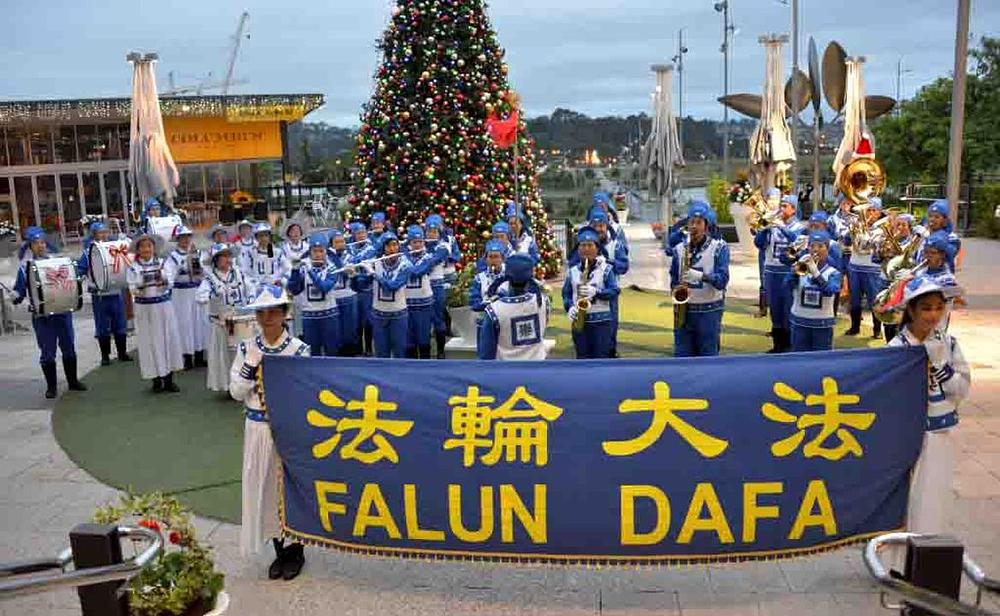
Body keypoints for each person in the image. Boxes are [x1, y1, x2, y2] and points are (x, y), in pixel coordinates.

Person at [229, 284, 310, 580]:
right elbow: (236, 391)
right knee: (262, 487)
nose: (267, 317)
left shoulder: (299, 349)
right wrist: (250, 365)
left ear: (285, 314)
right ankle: (278, 550)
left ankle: (296, 551)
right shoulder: (245, 348)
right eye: (262, 312)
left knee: (289, 489)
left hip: (287, 429)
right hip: (257, 427)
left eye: (274, 311)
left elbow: (304, 391)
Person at [887, 276, 969, 534]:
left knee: (934, 498)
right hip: (907, 437)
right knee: (908, 498)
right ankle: (898, 557)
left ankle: (928, 556)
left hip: (941, 433)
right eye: (925, 308)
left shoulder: (949, 343)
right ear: (911, 309)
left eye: (938, 307)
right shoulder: (896, 348)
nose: (933, 315)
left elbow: (960, 391)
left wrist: (940, 365)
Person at [12, 227, 88, 398]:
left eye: (42, 242)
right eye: (35, 243)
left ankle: (73, 381)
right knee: (47, 352)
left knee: (69, 347)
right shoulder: (26, 268)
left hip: (62, 312)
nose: (40, 246)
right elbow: (20, 292)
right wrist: (15, 295)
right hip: (42, 317)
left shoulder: (58, 262)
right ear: (30, 247)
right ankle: (51, 387)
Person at [669, 202, 730, 357]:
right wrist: (677, 290)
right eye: (691, 222)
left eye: (698, 223)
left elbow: (722, 281)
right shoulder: (679, 249)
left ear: (706, 226)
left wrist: (702, 277)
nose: (694, 227)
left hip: (709, 311)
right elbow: (673, 277)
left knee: (708, 356)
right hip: (684, 311)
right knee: (682, 355)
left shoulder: (719, 248)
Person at [126, 232, 184, 393]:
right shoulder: (133, 267)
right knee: (149, 342)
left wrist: (162, 278)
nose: (146, 249)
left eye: (149, 246)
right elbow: (132, 288)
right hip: (145, 309)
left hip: (163, 306)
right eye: (143, 246)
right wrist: (140, 286)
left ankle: (169, 379)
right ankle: (156, 379)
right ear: (138, 250)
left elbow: (170, 282)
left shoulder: (163, 263)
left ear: (154, 248)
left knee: (168, 339)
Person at [197, 243, 254, 393]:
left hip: (240, 321)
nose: (228, 260)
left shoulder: (239, 273)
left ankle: (244, 384)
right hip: (221, 324)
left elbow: (251, 288)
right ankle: (228, 385)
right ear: (216, 260)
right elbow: (200, 296)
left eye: (228, 256)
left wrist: (251, 300)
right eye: (224, 257)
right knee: (225, 355)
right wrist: (213, 297)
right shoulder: (210, 279)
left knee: (242, 353)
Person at [754, 193, 805, 352]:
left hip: (787, 271)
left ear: (793, 209)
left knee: (788, 307)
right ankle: (777, 345)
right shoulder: (772, 226)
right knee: (775, 308)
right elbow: (759, 244)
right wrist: (764, 229)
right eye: (781, 205)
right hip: (771, 271)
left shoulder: (799, 226)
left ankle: (789, 345)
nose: (781, 209)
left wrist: (781, 226)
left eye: (785, 206)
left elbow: (796, 240)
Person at [77, 221, 131, 366]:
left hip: (116, 292)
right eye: (100, 233)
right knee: (102, 326)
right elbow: (80, 271)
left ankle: (122, 352)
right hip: (99, 295)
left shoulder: (113, 248)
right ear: (94, 235)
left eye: (105, 232)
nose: (103, 235)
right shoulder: (87, 252)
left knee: (120, 323)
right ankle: (105, 355)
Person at [478, 254, 549, 360]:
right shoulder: (543, 302)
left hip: (506, 372)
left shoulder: (494, 310)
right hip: (537, 369)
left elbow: (486, 354)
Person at [563, 226, 619, 359]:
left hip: (602, 324)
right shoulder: (572, 272)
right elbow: (566, 294)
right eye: (582, 245)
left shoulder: (606, 269)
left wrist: (597, 292)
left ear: (597, 248)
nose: (586, 249)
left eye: (590, 245)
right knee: (582, 358)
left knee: (601, 358)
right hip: (580, 324)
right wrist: (569, 307)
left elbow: (615, 291)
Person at [786, 231, 843, 352]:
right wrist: (792, 273)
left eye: (820, 246)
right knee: (798, 358)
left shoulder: (834, 272)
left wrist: (816, 273)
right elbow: (786, 286)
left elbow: (830, 291)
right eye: (812, 246)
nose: (816, 250)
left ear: (827, 249)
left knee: (822, 360)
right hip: (800, 322)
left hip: (822, 324)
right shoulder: (800, 268)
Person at [287, 234, 340, 357]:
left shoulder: (332, 269)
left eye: (321, 251)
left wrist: (310, 271)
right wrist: (294, 271)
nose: (317, 254)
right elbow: (294, 290)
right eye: (314, 251)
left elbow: (324, 287)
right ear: (309, 252)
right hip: (309, 316)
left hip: (329, 315)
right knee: (312, 351)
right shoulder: (303, 268)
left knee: (331, 350)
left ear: (326, 252)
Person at [164, 225, 208, 370]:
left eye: (187, 237)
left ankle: (200, 354)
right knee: (184, 324)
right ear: (177, 240)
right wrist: (182, 268)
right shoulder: (173, 257)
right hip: (181, 293)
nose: (185, 240)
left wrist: (199, 268)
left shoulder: (199, 253)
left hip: (196, 290)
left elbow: (206, 271)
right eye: (182, 237)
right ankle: (187, 356)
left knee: (200, 322)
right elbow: (169, 276)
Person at [403, 225, 443, 359]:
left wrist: (406, 266)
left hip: (424, 302)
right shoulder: (403, 256)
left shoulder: (428, 257)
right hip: (407, 302)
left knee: (423, 335)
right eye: (415, 242)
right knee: (409, 336)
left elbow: (419, 271)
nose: (418, 245)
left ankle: (426, 363)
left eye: (420, 242)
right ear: (409, 243)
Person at [370, 232, 412, 358]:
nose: (392, 249)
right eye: (388, 246)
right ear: (383, 248)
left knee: (399, 351)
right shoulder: (375, 263)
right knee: (381, 352)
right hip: (378, 315)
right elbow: (360, 286)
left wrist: (374, 274)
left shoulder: (406, 265)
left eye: (395, 245)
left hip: (398, 315)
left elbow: (392, 287)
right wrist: (353, 274)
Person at [327, 230, 360, 356]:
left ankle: (351, 352)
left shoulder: (351, 257)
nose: (340, 244)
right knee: (335, 329)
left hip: (349, 295)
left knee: (350, 328)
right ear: (331, 244)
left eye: (342, 241)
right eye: (337, 242)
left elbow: (353, 277)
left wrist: (353, 274)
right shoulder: (327, 258)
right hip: (333, 297)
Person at [349, 222, 377, 356]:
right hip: (354, 288)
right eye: (358, 233)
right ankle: (359, 347)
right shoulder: (350, 248)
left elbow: (361, 262)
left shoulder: (371, 248)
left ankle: (369, 348)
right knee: (356, 320)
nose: (361, 236)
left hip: (367, 288)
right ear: (353, 235)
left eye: (363, 233)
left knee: (368, 319)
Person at [917, 200, 961, 272]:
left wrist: (937, 241)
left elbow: (952, 253)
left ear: (945, 221)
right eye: (930, 216)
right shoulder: (925, 235)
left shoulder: (952, 237)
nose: (932, 220)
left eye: (937, 217)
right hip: (921, 276)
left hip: (941, 278)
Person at [470, 240, 507, 323]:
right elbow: (474, 302)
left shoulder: (509, 276)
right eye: (490, 257)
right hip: (486, 318)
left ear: (502, 259)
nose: (493, 260)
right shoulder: (479, 278)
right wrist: (486, 304)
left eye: (496, 256)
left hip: (505, 318)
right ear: (486, 259)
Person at [247, 223, 290, 288]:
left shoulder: (277, 252)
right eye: (260, 236)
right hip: (257, 288)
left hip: (275, 288)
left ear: (269, 237)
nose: (264, 238)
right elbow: (246, 272)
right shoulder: (251, 253)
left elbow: (288, 268)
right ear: (256, 238)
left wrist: (282, 280)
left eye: (266, 235)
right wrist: (254, 284)